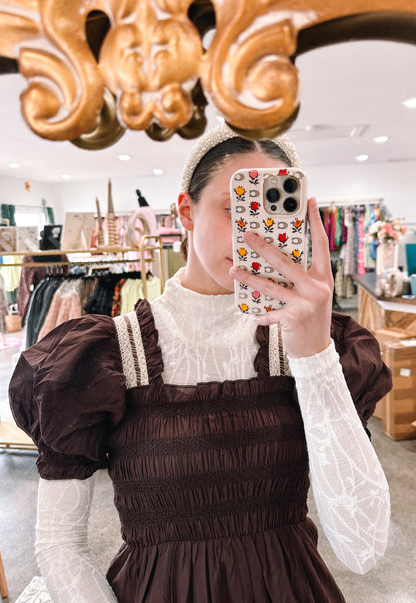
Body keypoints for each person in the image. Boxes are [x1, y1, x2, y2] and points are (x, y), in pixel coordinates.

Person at [9, 123, 392, 603]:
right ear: (185, 212)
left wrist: (314, 355)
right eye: (237, 210)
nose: (256, 235)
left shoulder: (317, 345)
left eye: (276, 214)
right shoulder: (107, 355)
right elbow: (60, 543)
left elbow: (363, 549)